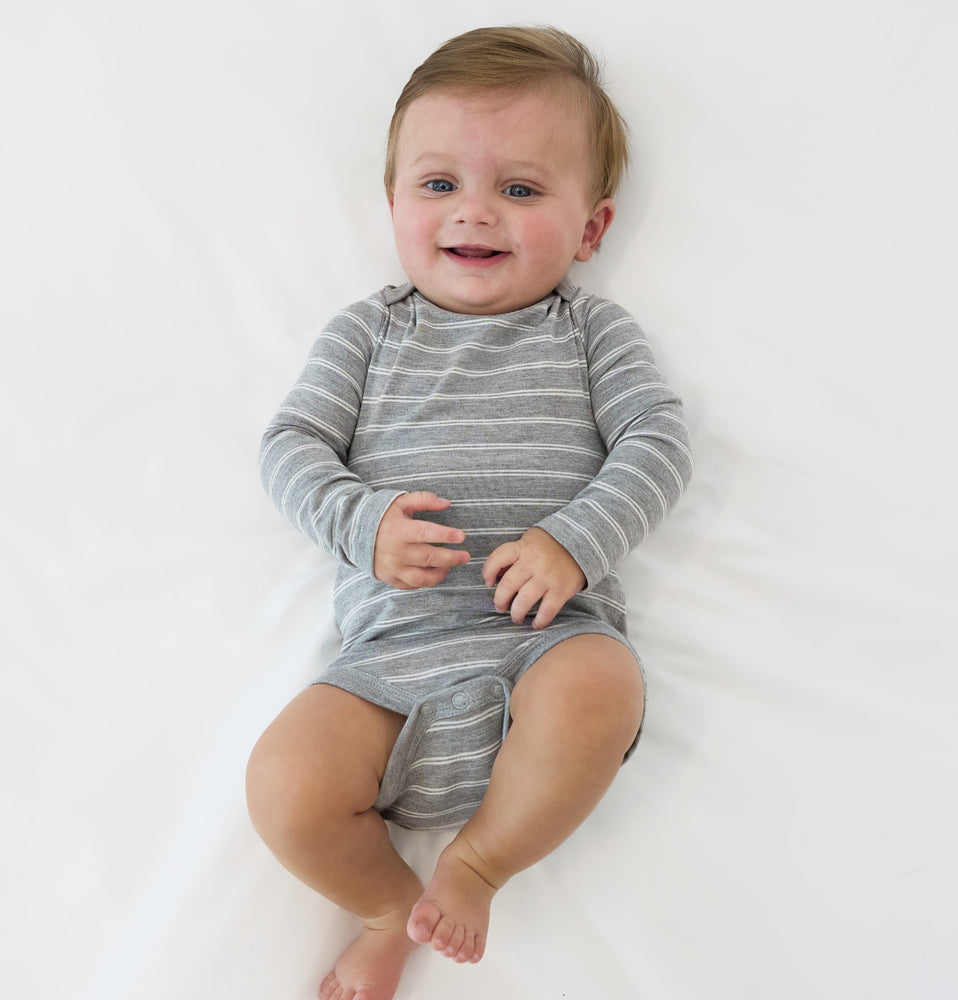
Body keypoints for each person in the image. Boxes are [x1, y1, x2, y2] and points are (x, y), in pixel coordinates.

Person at [246, 25, 692, 1000]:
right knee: (283, 786)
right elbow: (288, 448)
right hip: (387, 667)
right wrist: (359, 523)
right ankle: (380, 910)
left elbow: (657, 446)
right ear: (393, 202)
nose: (473, 214)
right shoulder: (368, 330)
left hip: (545, 639)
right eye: (439, 185)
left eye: (520, 189)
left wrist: (573, 544)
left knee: (602, 686)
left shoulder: (590, 332)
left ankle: (480, 864)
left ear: (590, 230)